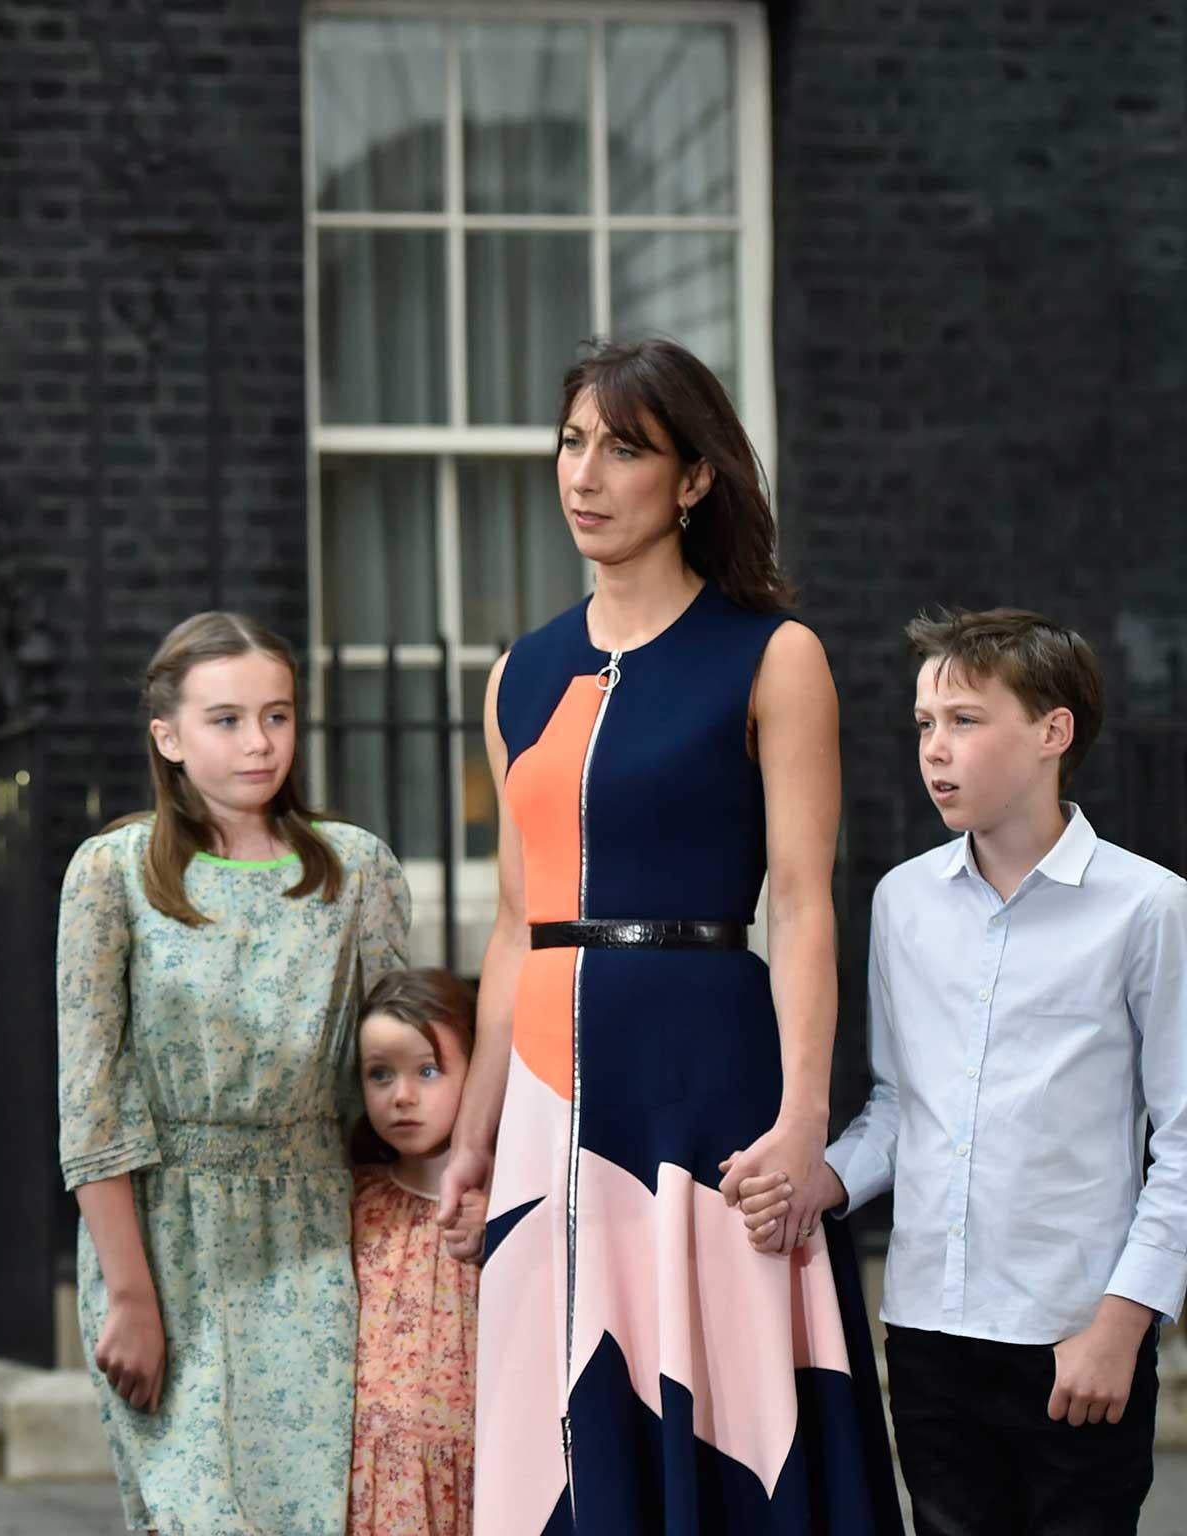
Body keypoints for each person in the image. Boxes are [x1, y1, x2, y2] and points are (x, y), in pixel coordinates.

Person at [436, 337, 902, 1533]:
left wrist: (802, 1121)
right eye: (570, 442)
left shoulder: (770, 655)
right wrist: (475, 1136)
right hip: (545, 1098)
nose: (583, 475)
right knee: (560, 1432)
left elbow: (800, 900)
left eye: (624, 449)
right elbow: (509, 924)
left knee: (725, 1416)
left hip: (706, 1074)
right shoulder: (518, 675)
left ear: (692, 480)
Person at [738, 608, 1187, 1536]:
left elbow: (1182, 1141)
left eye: (966, 721)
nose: (934, 750)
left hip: (1077, 1337)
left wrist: (1121, 1325)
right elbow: (904, 1108)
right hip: (931, 1338)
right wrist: (817, 1182)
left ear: (1052, 732)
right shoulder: (903, 901)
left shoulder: (1150, 909)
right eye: (923, 725)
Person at [55, 610, 411, 1535]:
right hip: (162, 1238)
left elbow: (393, 1077)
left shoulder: (358, 870)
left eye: (278, 715)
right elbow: (90, 1101)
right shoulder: (113, 873)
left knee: (312, 1511)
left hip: (313, 1234)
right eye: (226, 719)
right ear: (167, 737)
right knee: (197, 1514)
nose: (259, 742)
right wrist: (131, 1295)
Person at [348, 967, 482, 1536]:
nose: (401, 1096)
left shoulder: (505, 1204)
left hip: (480, 1471)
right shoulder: (356, 1198)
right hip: (378, 1485)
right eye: (380, 1074)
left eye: (428, 1071)